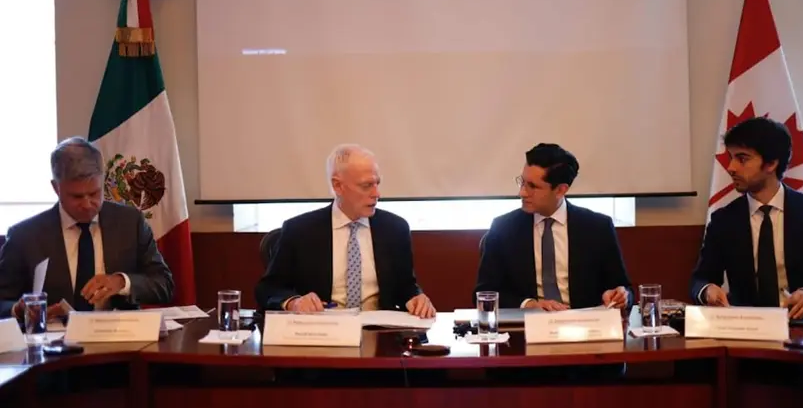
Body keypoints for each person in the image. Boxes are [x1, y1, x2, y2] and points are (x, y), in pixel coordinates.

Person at [690, 117, 803, 319]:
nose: (731, 167)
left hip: (802, 322)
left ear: (771, 163)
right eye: (731, 158)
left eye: (742, 159)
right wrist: (707, 290)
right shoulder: (724, 220)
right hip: (747, 324)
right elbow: (700, 279)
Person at [0, 137, 174, 319]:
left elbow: (164, 284)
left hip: (119, 333)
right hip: (56, 335)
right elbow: (2, 301)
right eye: (76, 196)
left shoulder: (130, 223)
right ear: (56, 188)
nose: (87, 204)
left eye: (94, 193)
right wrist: (19, 310)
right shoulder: (25, 236)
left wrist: (122, 282)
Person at [255, 144, 436, 318]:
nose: (377, 194)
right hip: (322, 330)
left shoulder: (395, 228)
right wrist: (294, 302)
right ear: (338, 186)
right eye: (366, 185)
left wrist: (417, 298)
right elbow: (268, 289)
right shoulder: (300, 230)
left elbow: (406, 287)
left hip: (378, 330)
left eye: (377, 184)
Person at [475, 143, 633, 310]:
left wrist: (620, 296)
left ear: (560, 190)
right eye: (522, 182)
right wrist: (530, 305)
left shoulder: (598, 228)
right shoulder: (503, 229)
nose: (522, 192)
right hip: (527, 322)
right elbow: (483, 293)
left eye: (533, 186)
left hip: (585, 321)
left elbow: (623, 288)